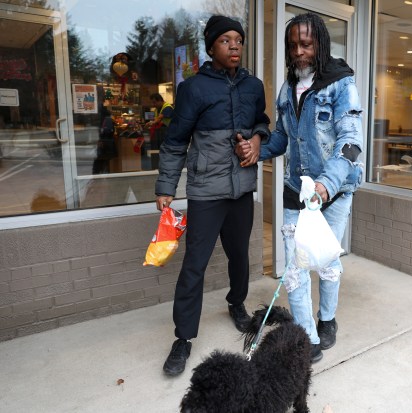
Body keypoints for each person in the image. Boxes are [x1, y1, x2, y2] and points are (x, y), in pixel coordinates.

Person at [236, 13, 364, 364]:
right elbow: (281, 137)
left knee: (325, 262)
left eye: (306, 44)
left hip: (333, 192)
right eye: (293, 45)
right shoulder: (286, 88)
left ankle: (327, 319)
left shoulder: (341, 84)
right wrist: (257, 148)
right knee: (294, 269)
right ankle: (305, 336)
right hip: (296, 190)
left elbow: (351, 143)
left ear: (320, 44)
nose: (299, 51)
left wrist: (325, 185)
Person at [155, 15, 270, 377]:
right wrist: (165, 188)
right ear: (210, 47)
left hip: (242, 190)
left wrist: (257, 140)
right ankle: (184, 337)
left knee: (240, 256)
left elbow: (263, 122)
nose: (234, 45)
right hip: (206, 191)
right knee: (195, 265)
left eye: (239, 39)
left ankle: (237, 303)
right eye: (225, 40)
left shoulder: (254, 86)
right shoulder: (193, 89)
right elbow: (175, 142)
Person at [92, 105, 117, 174]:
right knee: (103, 158)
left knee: (100, 158)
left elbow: (105, 131)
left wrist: (100, 138)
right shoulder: (108, 119)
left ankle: (97, 172)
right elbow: (109, 131)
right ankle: (102, 172)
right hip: (107, 142)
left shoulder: (103, 119)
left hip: (104, 141)